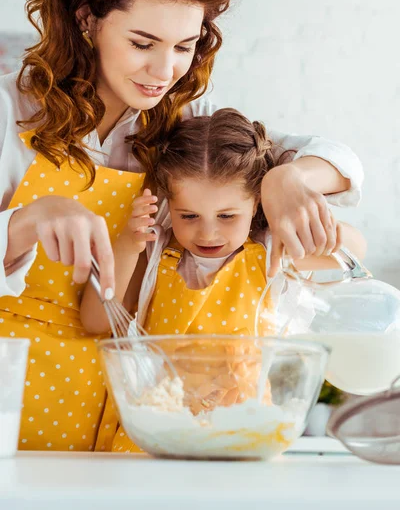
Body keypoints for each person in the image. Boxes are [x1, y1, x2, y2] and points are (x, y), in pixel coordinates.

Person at [0, 0, 363, 452]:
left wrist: (289, 177)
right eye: (142, 43)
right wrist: (25, 222)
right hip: (12, 400)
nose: (163, 70)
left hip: (120, 423)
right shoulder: (11, 113)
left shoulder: (183, 122)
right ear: (87, 19)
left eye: (184, 47)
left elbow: (341, 161)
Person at [80, 108, 366, 452]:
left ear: (257, 203)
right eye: (189, 215)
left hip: (244, 436)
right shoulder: (154, 254)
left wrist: (293, 213)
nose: (208, 231)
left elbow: (355, 248)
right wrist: (128, 243)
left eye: (227, 215)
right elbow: (96, 320)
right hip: (154, 436)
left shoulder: (272, 252)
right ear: (170, 204)